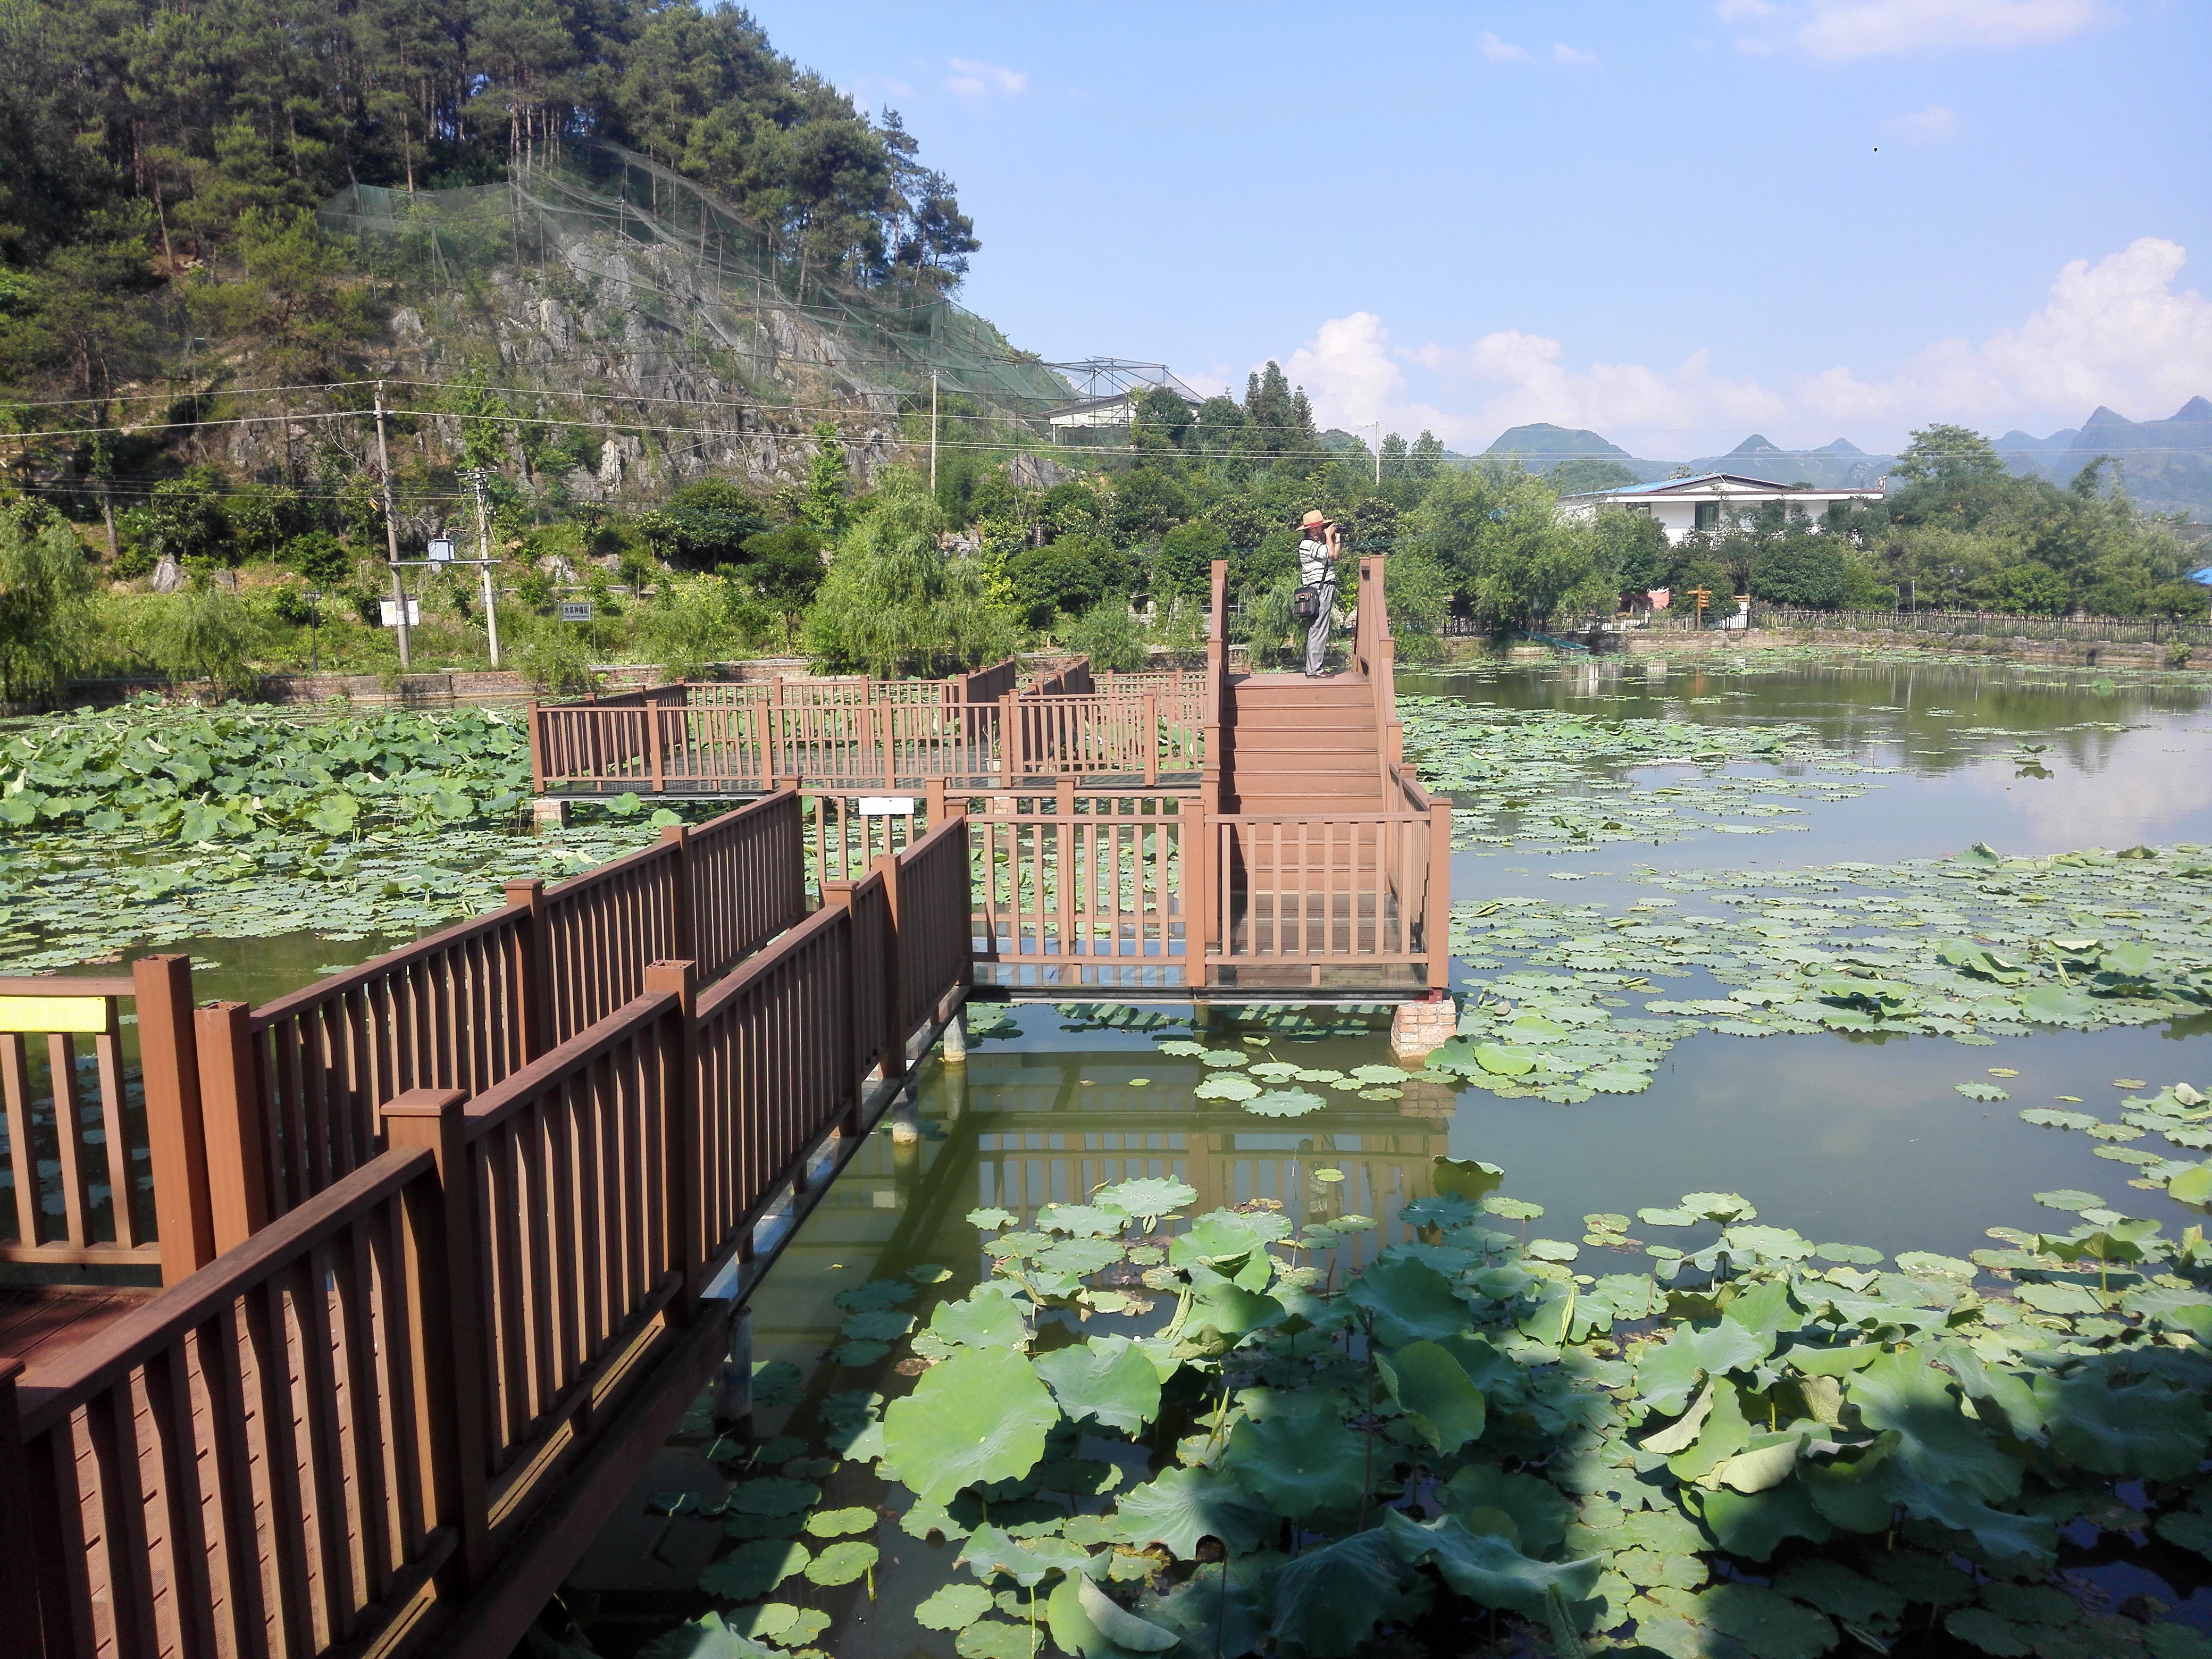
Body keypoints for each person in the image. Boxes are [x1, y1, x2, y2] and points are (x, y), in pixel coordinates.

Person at [1296, 508, 1340, 676]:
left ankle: (1314, 668)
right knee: (1318, 628)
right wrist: (1329, 537)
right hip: (1319, 590)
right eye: (1322, 527)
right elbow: (1329, 552)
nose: (1324, 529)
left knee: (1320, 627)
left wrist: (1337, 538)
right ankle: (1315, 669)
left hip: (1324, 589)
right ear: (1313, 529)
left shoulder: (1317, 545)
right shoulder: (1308, 545)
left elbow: (1334, 555)